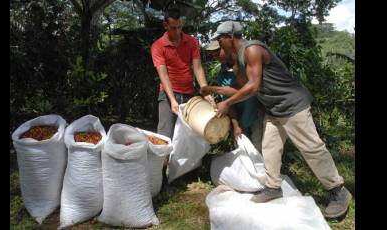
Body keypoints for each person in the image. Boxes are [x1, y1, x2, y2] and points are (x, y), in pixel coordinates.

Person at [204, 21, 352, 219]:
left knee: (311, 148)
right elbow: (244, 87)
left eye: (219, 39)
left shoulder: (253, 49)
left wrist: (226, 103)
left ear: (230, 37)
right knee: (270, 147)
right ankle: (273, 187)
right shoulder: (239, 58)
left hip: (292, 105)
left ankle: (338, 190)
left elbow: (254, 86)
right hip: (274, 109)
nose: (218, 43)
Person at [150, 8, 213, 185]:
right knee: (164, 134)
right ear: (165, 25)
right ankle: (159, 177)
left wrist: (205, 90)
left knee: (191, 133)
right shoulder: (158, 46)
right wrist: (171, 100)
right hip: (168, 93)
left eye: (180, 27)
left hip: (188, 93)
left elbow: (198, 68)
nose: (178, 32)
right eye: (173, 28)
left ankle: (188, 171)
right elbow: (163, 74)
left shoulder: (191, 41)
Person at [203, 40, 263, 152]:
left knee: (259, 150)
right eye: (213, 54)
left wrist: (212, 89)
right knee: (243, 153)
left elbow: (252, 89)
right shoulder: (222, 74)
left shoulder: (245, 64)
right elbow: (228, 103)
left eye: (218, 51)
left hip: (256, 115)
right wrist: (236, 125)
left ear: (226, 47)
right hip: (240, 120)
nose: (216, 56)